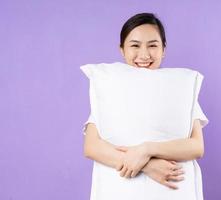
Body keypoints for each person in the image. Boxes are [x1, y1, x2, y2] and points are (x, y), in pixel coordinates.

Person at [83, 12, 208, 198]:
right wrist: (147, 165)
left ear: (163, 49)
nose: (144, 54)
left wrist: (147, 149)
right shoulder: (111, 88)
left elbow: (196, 147)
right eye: (135, 45)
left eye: (153, 45)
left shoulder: (178, 90)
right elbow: (92, 146)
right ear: (122, 49)